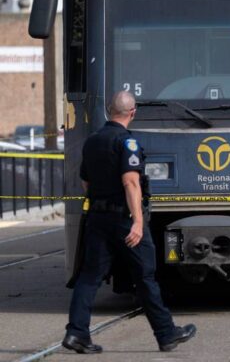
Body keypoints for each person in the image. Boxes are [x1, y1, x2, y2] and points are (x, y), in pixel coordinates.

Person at [63, 91, 197, 354]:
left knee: (89, 278)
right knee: (145, 277)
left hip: (97, 220)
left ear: (109, 111)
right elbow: (131, 182)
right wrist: (137, 221)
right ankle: (166, 334)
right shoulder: (127, 143)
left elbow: (85, 182)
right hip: (123, 221)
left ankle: (76, 333)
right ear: (132, 113)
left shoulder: (92, 141)